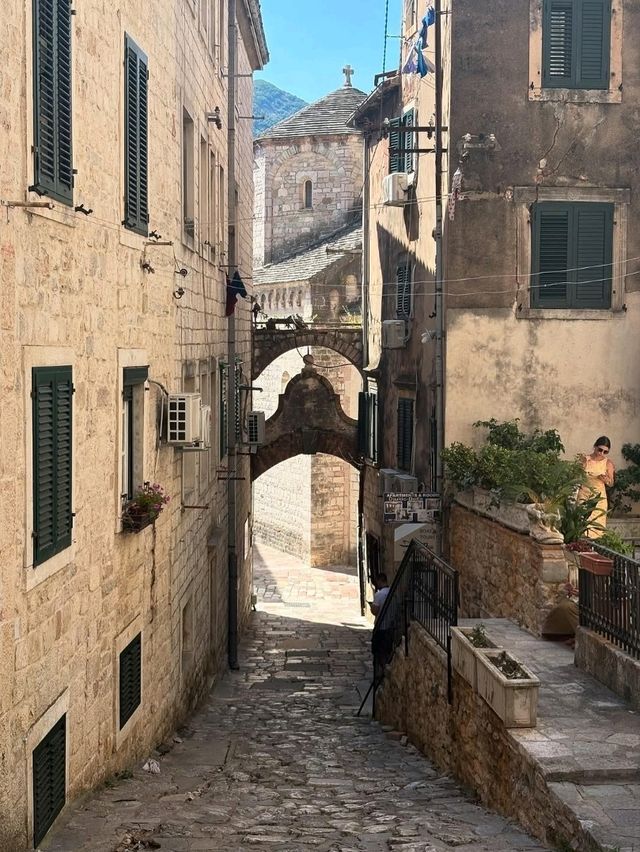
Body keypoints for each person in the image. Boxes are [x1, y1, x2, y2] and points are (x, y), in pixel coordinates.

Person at [578, 436, 615, 539]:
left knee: (596, 525)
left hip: (599, 498)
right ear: (595, 447)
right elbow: (577, 475)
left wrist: (605, 480)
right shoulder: (585, 460)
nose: (601, 453)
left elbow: (611, 483)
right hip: (584, 494)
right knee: (581, 522)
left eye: (605, 452)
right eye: (600, 450)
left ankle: (595, 548)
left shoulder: (608, 463)